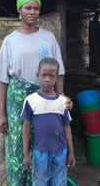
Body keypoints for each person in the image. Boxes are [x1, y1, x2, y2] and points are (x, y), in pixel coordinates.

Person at [0, 0, 70, 186]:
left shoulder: (49, 38)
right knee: (19, 146)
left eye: (36, 8)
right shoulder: (10, 41)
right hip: (18, 100)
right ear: (19, 10)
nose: (32, 12)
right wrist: (2, 114)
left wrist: (61, 96)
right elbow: (3, 79)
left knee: (43, 144)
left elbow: (58, 70)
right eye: (28, 8)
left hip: (46, 99)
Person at [22, 57, 76, 186]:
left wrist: (71, 152)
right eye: (44, 75)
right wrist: (26, 155)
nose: (47, 79)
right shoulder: (30, 100)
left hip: (60, 152)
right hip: (40, 152)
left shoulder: (62, 102)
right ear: (37, 76)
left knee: (59, 182)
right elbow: (26, 127)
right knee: (40, 182)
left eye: (51, 76)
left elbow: (67, 128)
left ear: (57, 78)